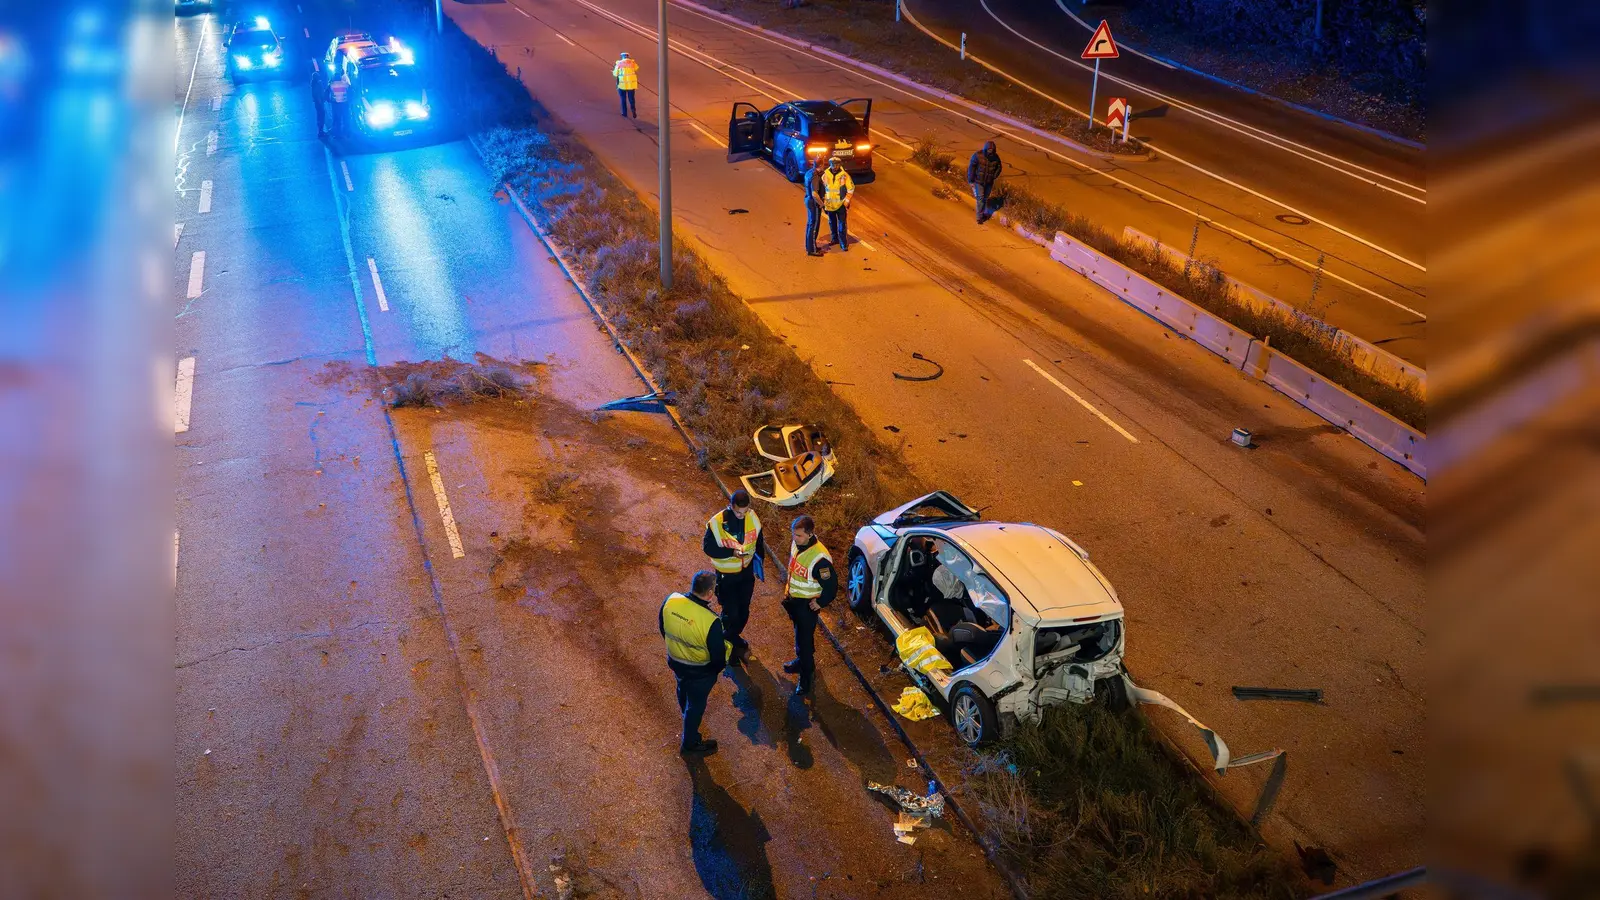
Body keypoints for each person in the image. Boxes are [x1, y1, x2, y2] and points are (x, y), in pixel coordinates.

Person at [660, 571, 730, 754]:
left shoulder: (671, 600)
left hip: (676, 662)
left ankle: (685, 713)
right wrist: (714, 671)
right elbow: (718, 657)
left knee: (682, 688)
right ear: (710, 593)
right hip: (700, 672)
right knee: (696, 706)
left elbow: (663, 628)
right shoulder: (711, 621)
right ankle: (689, 743)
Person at [702, 489, 769, 663]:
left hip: (746, 573)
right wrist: (731, 552)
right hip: (727, 577)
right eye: (739, 512)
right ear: (731, 506)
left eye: (745, 512)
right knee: (730, 614)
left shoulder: (752, 518)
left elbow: (759, 542)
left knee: (744, 611)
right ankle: (726, 645)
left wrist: (759, 562)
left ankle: (730, 638)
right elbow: (708, 548)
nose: (742, 515)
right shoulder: (717, 523)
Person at [779, 515, 836, 696]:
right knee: (801, 637)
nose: (795, 539)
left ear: (810, 534)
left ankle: (805, 677)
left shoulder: (820, 559)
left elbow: (831, 586)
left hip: (806, 606)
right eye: (793, 534)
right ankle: (801, 662)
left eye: (799, 536)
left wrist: (819, 602)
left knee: (803, 643)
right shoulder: (797, 544)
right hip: (795, 602)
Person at [820, 156, 854, 252]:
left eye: (837, 164)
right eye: (833, 164)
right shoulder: (825, 175)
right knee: (832, 223)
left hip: (841, 205)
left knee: (842, 225)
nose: (835, 166)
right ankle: (834, 239)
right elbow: (823, 190)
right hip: (830, 204)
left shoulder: (845, 176)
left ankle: (843, 243)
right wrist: (823, 202)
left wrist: (846, 202)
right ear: (830, 164)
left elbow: (851, 189)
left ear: (840, 165)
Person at [966, 140, 1002, 224]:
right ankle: (979, 217)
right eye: (989, 150)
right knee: (980, 198)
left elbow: (999, 167)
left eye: (992, 150)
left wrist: (994, 176)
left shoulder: (996, 158)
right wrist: (971, 180)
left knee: (985, 198)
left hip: (989, 183)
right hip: (979, 182)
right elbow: (972, 167)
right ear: (985, 149)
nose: (990, 151)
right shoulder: (977, 155)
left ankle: (981, 213)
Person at [802, 154, 827, 257]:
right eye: (824, 164)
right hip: (814, 203)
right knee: (814, 226)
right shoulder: (815, 176)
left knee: (810, 224)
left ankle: (810, 246)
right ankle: (812, 250)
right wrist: (822, 205)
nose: (824, 166)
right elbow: (815, 194)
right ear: (820, 165)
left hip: (808, 200)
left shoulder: (809, 172)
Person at [613, 52, 639, 118]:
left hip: (622, 85)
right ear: (628, 56)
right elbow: (636, 68)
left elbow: (615, 74)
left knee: (623, 99)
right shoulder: (632, 63)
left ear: (622, 57)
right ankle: (633, 110)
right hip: (631, 85)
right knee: (631, 99)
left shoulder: (619, 64)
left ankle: (624, 113)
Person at [328, 71, 351, 137]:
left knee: (337, 119)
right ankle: (346, 133)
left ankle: (338, 135)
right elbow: (351, 91)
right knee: (346, 118)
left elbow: (326, 94)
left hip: (336, 104)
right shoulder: (345, 84)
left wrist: (329, 100)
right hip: (344, 104)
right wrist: (349, 100)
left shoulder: (331, 85)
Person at [310, 61, 328, 138]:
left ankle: (321, 131)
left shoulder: (314, 84)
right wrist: (321, 102)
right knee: (321, 117)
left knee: (319, 117)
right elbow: (318, 95)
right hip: (319, 103)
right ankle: (321, 132)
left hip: (318, 103)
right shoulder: (318, 84)